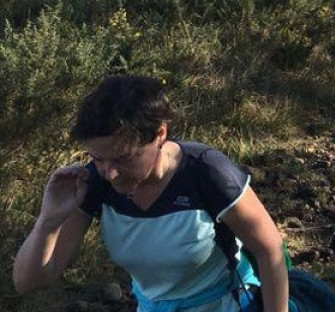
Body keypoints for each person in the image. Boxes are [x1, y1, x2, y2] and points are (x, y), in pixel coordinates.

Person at [13, 75, 295, 311]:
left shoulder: (207, 173)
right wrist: (48, 222)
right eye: (98, 158)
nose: (110, 172)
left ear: (160, 133)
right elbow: (28, 282)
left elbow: (269, 252)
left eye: (123, 158)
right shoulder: (93, 183)